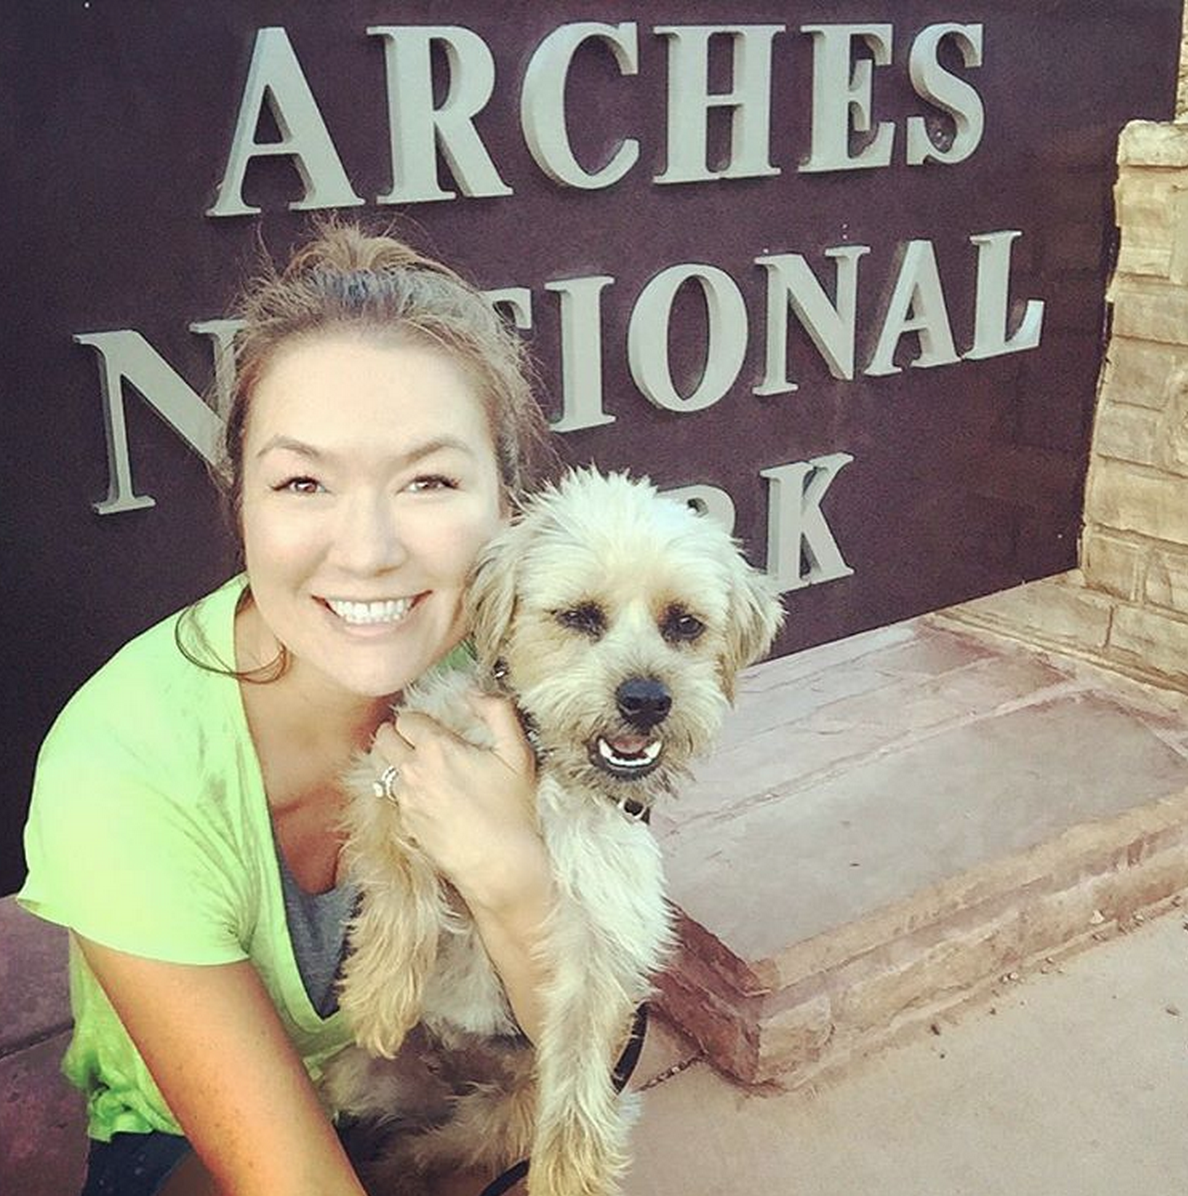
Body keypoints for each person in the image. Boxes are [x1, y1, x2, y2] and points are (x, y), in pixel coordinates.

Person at [18, 221, 559, 1196]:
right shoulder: (121, 765)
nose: (365, 549)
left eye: (430, 479)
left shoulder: (528, 673)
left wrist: (517, 878)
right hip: (185, 1146)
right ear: (243, 501)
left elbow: (597, 1064)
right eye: (303, 480)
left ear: (506, 507)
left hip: (425, 1091)